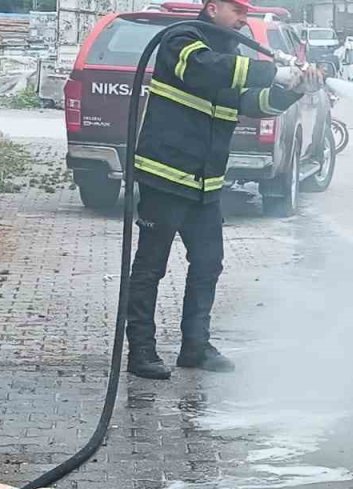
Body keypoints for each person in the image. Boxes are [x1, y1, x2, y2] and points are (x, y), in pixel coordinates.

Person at [126, 0, 321, 380]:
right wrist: (273, 71)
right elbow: (204, 69)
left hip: (205, 184)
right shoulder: (181, 41)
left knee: (208, 264)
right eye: (238, 12)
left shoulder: (231, 56)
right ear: (212, 8)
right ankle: (141, 351)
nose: (244, 21)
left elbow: (252, 103)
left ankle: (195, 347)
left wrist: (293, 89)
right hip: (165, 177)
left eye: (247, 14)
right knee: (151, 267)